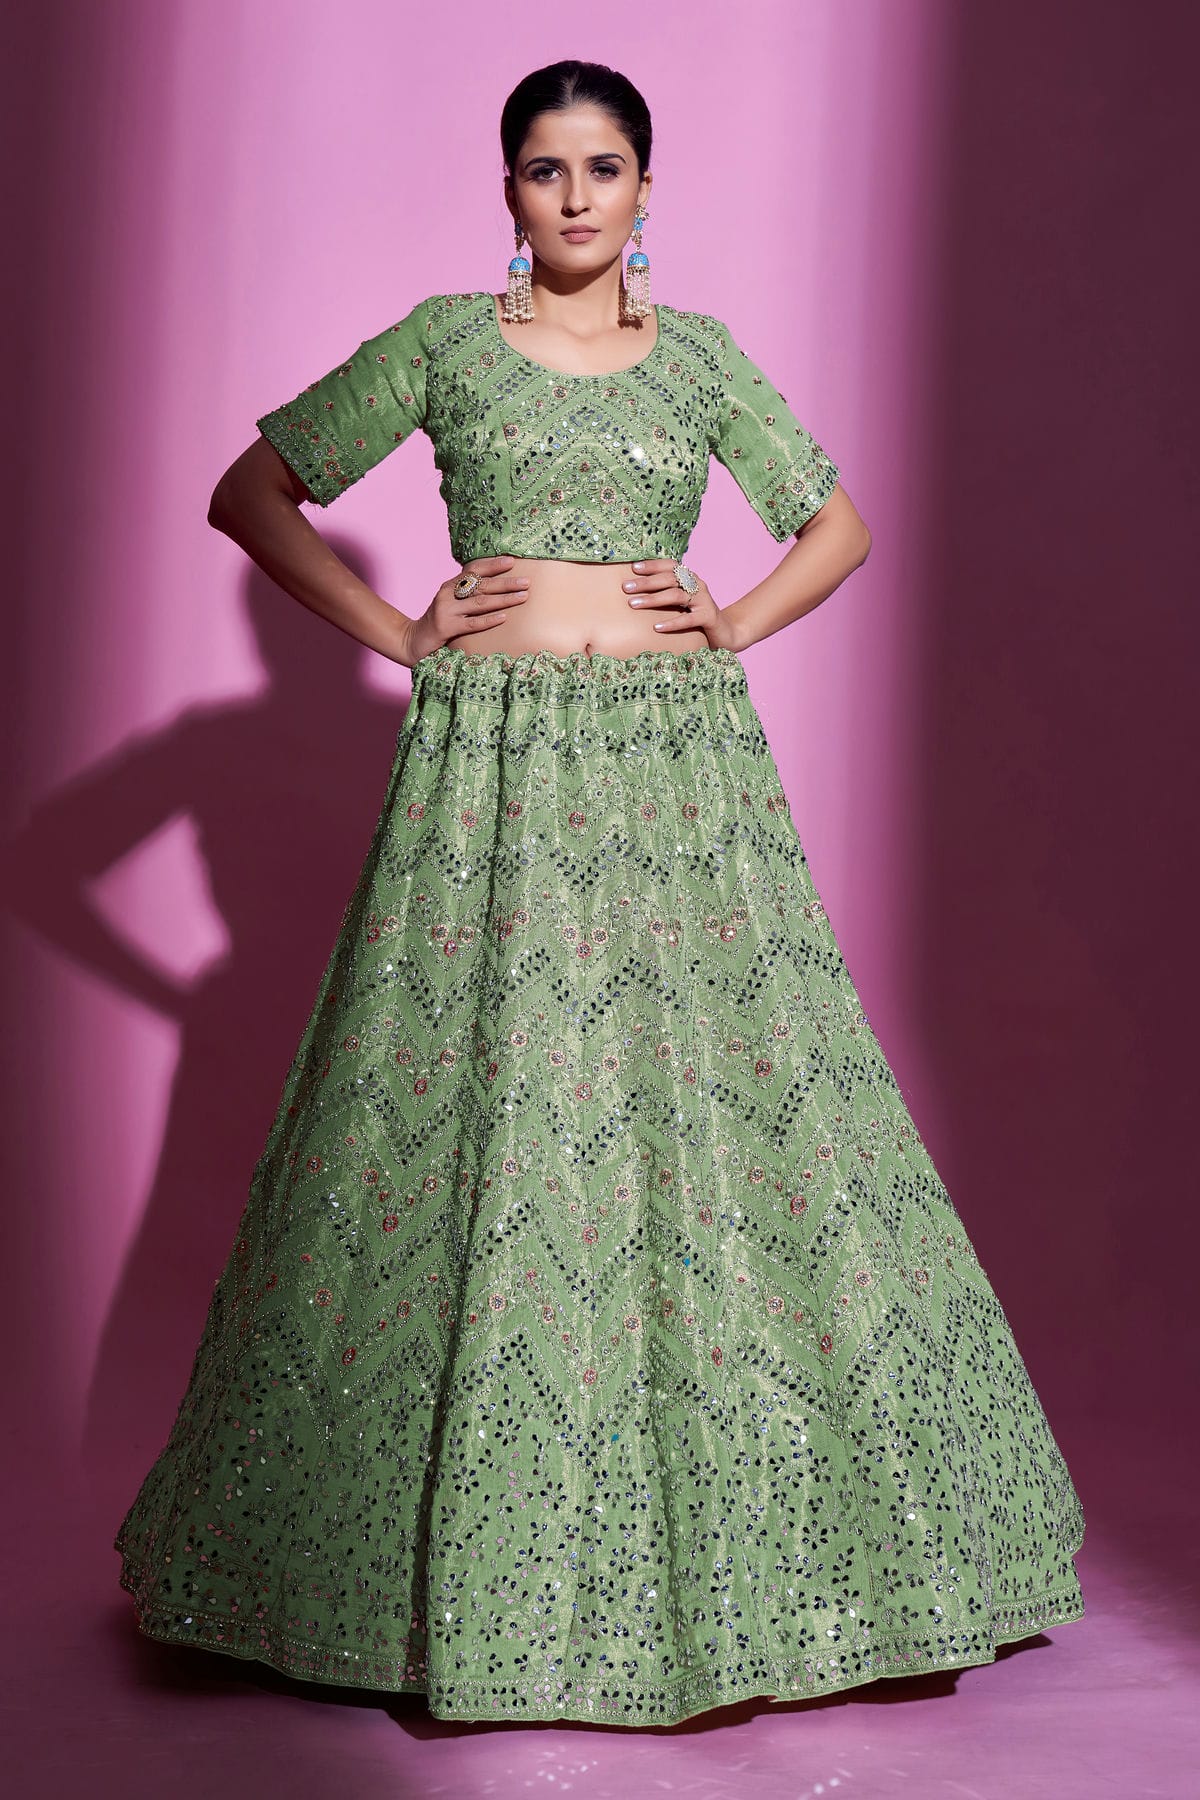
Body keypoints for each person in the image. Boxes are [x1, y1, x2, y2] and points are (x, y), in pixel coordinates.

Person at [114, 59, 1085, 1729]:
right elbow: (250, 491)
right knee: (474, 1112)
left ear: (647, 188)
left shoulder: (699, 358)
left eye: (605, 166)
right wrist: (402, 634)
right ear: (508, 190)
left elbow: (837, 526)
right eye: (546, 168)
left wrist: (732, 622)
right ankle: (412, 1565)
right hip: (487, 769)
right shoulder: (443, 342)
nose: (575, 196)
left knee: (719, 1114)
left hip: (674, 768)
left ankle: (764, 1558)